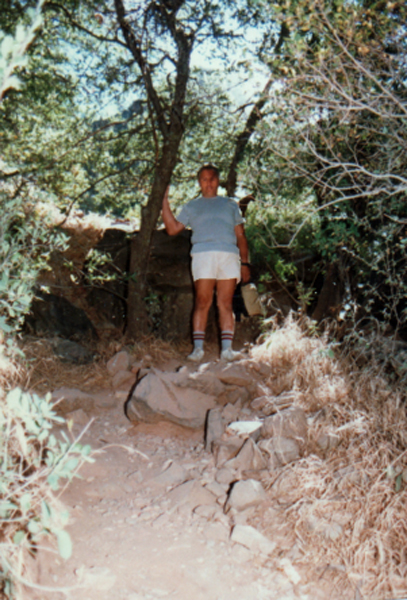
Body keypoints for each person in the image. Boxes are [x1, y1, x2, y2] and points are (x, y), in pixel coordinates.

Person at [161, 164, 251, 362]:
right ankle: (198, 350)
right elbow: (173, 229)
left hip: (228, 255)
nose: (208, 183)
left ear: (218, 181)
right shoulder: (192, 206)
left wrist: (245, 263)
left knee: (225, 303)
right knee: (202, 302)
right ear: (199, 182)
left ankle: (227, 351)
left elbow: (241, 236)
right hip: (203, 256)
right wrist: (163, 201)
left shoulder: (230, 205)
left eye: (212, 178)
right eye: (204, 179)